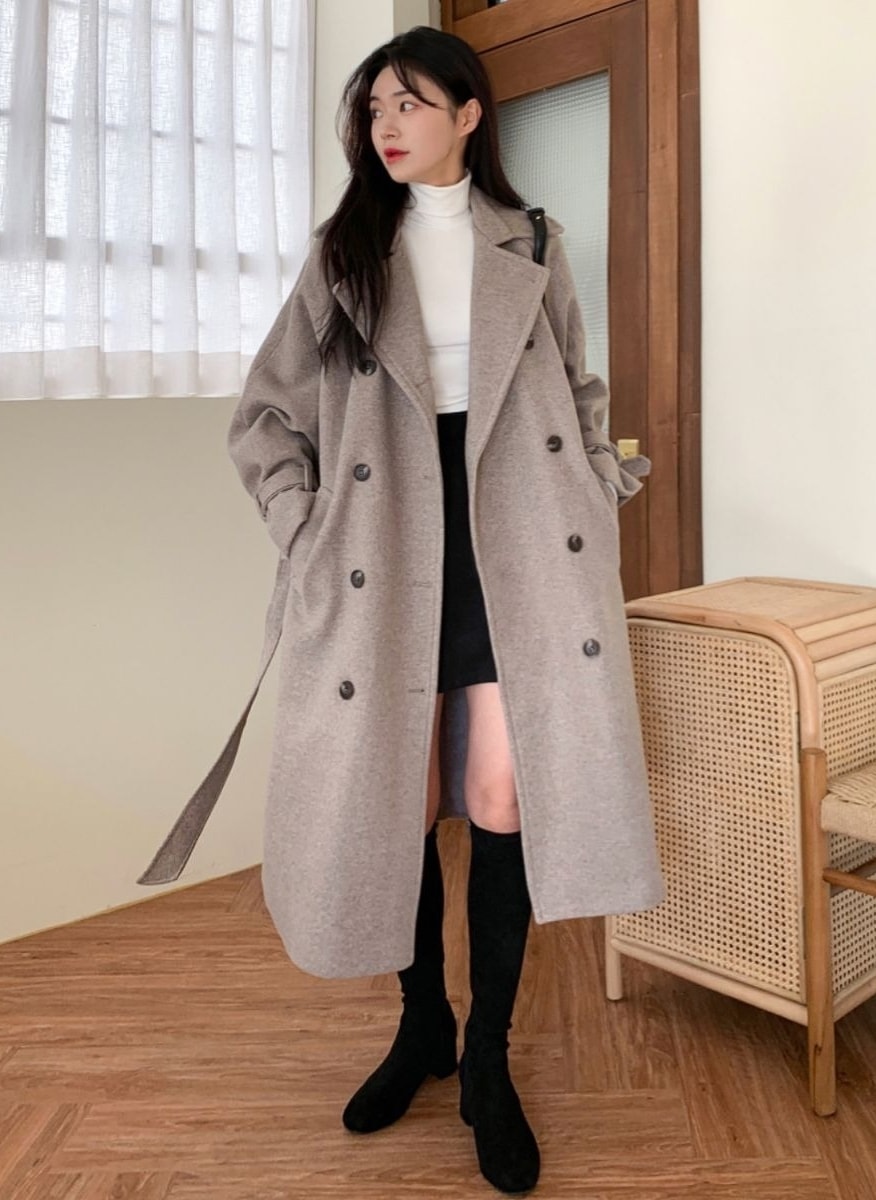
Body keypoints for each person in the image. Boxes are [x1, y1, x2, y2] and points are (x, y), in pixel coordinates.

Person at [139, 24, 664, 1197]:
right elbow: (265, 418)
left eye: (411, 102)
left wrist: (597, 479)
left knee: (503, 798)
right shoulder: (345, 253)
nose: (386, 123)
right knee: (404, 796)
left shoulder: (532, 240)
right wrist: (306, 526)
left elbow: (578, 385)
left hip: (515, 542)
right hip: (386, 546)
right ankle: (423, 1023)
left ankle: (489, 1062)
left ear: (469, 114)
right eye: (374, 105)